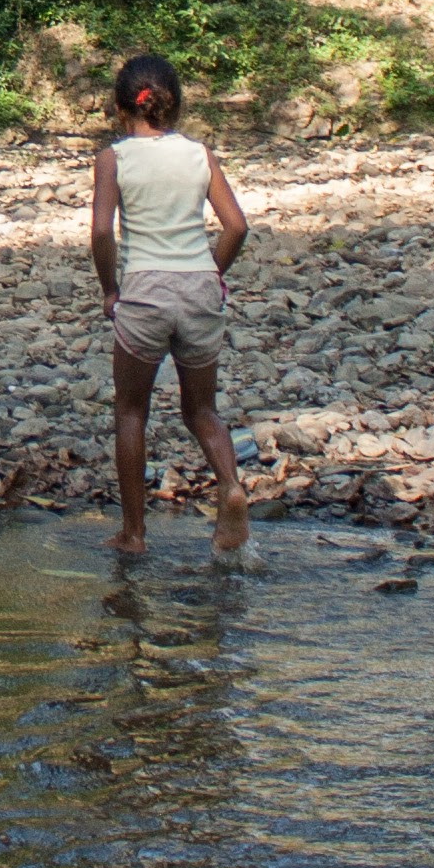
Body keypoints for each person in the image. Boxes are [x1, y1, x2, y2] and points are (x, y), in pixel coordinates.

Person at [90, 51, 249, 558]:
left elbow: (100, 233)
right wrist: (211, 273)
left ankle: (134, 534)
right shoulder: (200, 154)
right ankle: (231, 487)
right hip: (199, 288)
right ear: (175, 106)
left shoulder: (114, 158)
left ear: (120, 109)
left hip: (145, 293)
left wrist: (109, 290)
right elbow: (236, 227)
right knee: (202, 410)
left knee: (131, 412)